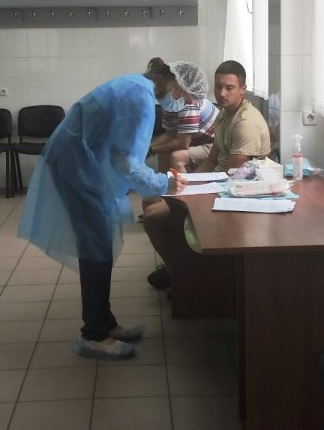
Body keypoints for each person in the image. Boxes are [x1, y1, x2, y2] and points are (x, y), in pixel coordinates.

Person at [18, 63, 209, 360]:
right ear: (173, 82)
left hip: (82, 164)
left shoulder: (136, 86)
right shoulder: (139, 97)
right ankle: (93, 335)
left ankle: (106, 324)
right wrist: (164, 183)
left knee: (99, 244)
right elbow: (126, 162)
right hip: (78, 169)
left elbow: (120, 152)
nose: (181, 103)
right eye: (183, 96)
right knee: (95, 250)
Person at [143, 60, 271, 289]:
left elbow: (231, 179)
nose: (221, 93)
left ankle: (179, 275)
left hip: (232, 193)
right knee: (153, 201)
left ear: (243, 89)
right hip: (218, 182)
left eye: (229, 88)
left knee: (153, 216)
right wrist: (188, 184)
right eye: (218, 86)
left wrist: (191, 196)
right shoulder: (225, 115)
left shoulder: (245, 124)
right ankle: (181, 268)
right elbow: (212, 161)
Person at [146, 58, 219, 174]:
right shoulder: (171, 103)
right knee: (163, 152)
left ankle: (183, 185)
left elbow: (183, 144)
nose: (188, 101)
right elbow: (169, 135)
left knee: (176, 157)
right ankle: (163, 184)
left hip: (215, 145)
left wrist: (151, 149)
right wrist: (146, 147)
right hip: (197, 141)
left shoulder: (189, 103)